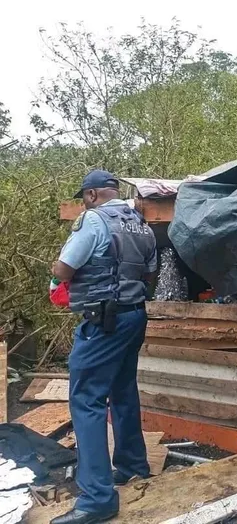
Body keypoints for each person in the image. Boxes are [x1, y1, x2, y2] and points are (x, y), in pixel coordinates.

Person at [51, 170, 157, 524]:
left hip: (103, 322)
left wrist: (56, 271)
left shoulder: (93, 221)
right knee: (123, 389)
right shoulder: (141, 224)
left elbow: (64, 270)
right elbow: (150, 274)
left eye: (84, 197)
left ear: (93, 195)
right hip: (134, 316)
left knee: (86, 400)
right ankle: (132, 466)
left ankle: (97, 498)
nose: (84, 203)